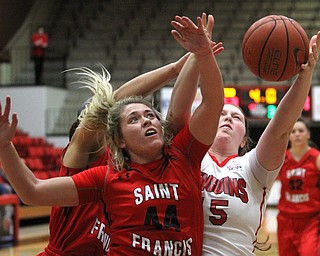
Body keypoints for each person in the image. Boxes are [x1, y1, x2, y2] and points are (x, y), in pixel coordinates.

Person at [0, 13, 224, 255]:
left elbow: (182, 113)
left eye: (149, 115)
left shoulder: (156, 160)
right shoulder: (88, 162)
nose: (146, 120)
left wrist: (197, 57)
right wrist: (176, 68)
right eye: (134, 119)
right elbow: (112, 104)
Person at [167, 20, 320, 255]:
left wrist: (305, 76)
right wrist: (197, 54)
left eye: (237, 117)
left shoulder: (252, 167)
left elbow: (280, 128)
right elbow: (177, 114)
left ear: (243, 140)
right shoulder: (189, 158)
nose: (228, 118)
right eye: (221, 114)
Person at [277, 117, 320, 256]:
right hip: (286, 220)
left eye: (301, 131)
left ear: (308, 134)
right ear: (289, 136)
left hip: (310, 221)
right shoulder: (281, 159)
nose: (297, 134)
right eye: (293, 131)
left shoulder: (316, 157)